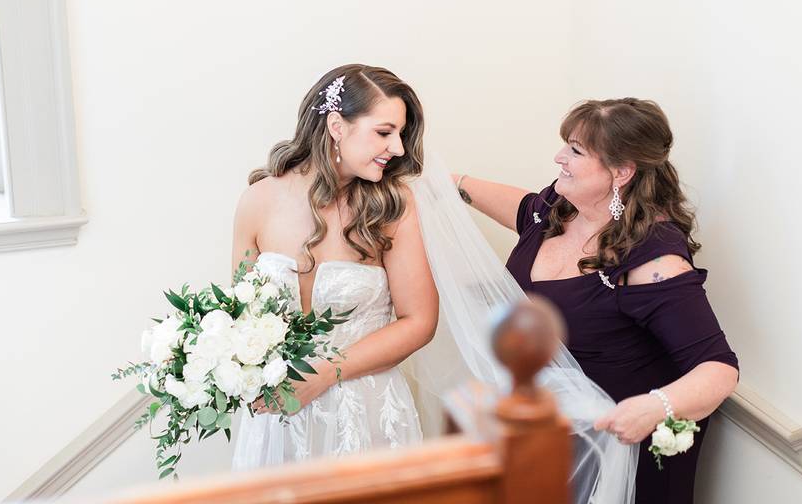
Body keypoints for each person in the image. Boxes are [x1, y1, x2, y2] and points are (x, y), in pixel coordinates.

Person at [453, 98, 739, 504]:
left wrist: (654, 407)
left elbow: (720, 369)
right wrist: (443, 183)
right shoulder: (554, 209)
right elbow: (521, 208)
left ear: (620, 172)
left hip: (618, 448)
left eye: (575, 150)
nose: (559, 157)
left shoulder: (653, 259)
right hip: (547, 435)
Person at [230, 64, 439, 468]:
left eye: (400, 134)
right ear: (336, 125)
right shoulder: (257, 200)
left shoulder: (391, 207)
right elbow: (241, 316)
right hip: (277, 418)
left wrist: (325, 373)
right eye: (384, 132)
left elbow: (420, 320)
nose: (397, 149)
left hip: (364, 416)